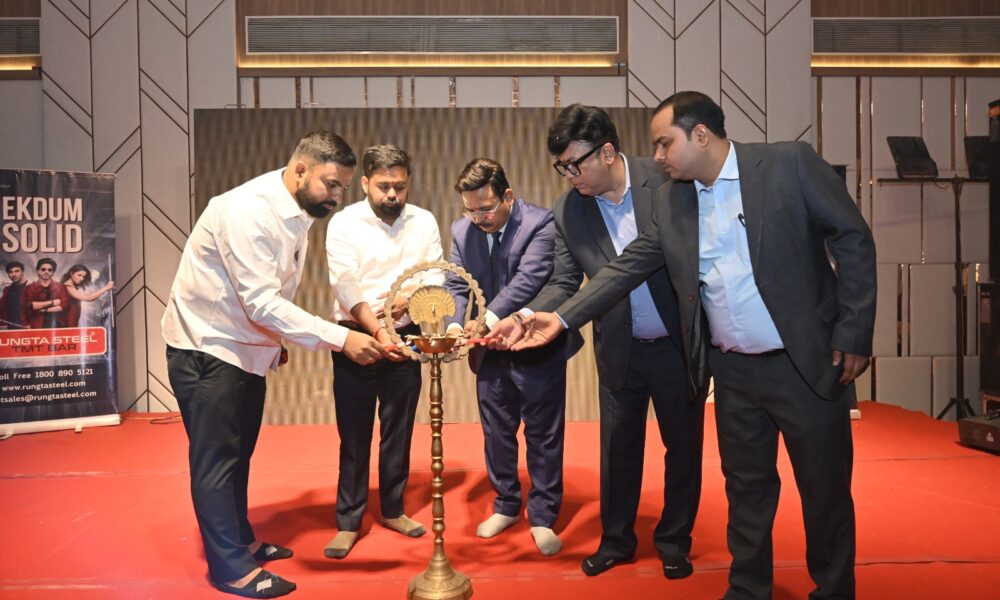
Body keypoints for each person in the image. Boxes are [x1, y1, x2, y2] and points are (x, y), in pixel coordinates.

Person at [503, 91, 877, 599]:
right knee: (745, 489)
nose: (657, 156)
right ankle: (747, 589)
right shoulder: (673, 199)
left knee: (823, 490)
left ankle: (833, 591)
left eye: (664, 143)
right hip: (731, 371)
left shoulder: (787, 164)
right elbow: (627, 266)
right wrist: (560, 318)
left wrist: (853, 331)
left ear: (700, 135)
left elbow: (852, 238)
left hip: (803, 362)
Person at [161, 131, 385, 599]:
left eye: (343, 187)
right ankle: (231, 570)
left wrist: (274, 341)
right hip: (208, 348)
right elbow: (260, 301)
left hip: (244, 349)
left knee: (238, 455)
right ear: (300, 169)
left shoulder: (297, 210)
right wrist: (341, 337)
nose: (338, 197)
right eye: (331, 184)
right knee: (217, 462)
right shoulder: (247, 210)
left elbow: (268, 293)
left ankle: (241, 540)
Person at [490, 104, 704, 579]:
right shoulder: (570, 209)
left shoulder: (665, 182)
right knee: (618, 451)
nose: (569, 176)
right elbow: (564, 281)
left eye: (574, 164)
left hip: (676, 344)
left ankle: (674, 540)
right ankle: (617, 541)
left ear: (607, 152)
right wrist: (522, 315)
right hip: (619, 349)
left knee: (683, 448)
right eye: (561, 167)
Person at [444, 158, 580, 556]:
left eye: (486, 209)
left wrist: (486, 319)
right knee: (496, 433)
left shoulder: (540, 222)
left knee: (543, 434)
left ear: (508, 196)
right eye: (470, 210)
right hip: (489, 352)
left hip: (535, 343)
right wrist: (454, 327)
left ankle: (543, 515)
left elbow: (529, 279)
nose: (479, 218)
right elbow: (456, 284)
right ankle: (505, 504)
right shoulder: (461, 231)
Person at [323, 144, 444, 559]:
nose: (392, 194)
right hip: (355, 336)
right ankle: (348, 520)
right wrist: (378, 330)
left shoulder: (423, 221)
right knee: (354, 434)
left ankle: (393, 509)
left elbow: (436, 275)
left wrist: (409, 301)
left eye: (400, 186)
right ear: (365, 183)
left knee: (399, 430)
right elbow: (345, 284)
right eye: (383, 186)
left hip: (407, 334)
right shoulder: (343, 222)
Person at [21, 258, 70, 329]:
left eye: (50, 270)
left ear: (53, 272)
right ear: (37, 271)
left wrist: (43, 309)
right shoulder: (29, 288)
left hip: (58, 324)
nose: (46, 272)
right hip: (37, 324)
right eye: (43, 269)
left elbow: (64, 305)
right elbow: (28, 306)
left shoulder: (61, 287)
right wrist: (52, 302)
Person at [0, 261, 27, 329]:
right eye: (10, 272)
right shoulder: (6, 289)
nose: (14, 274)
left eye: (17, 271)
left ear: (22, 272)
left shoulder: (31, 287)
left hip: (27, 327)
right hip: (10, 328)